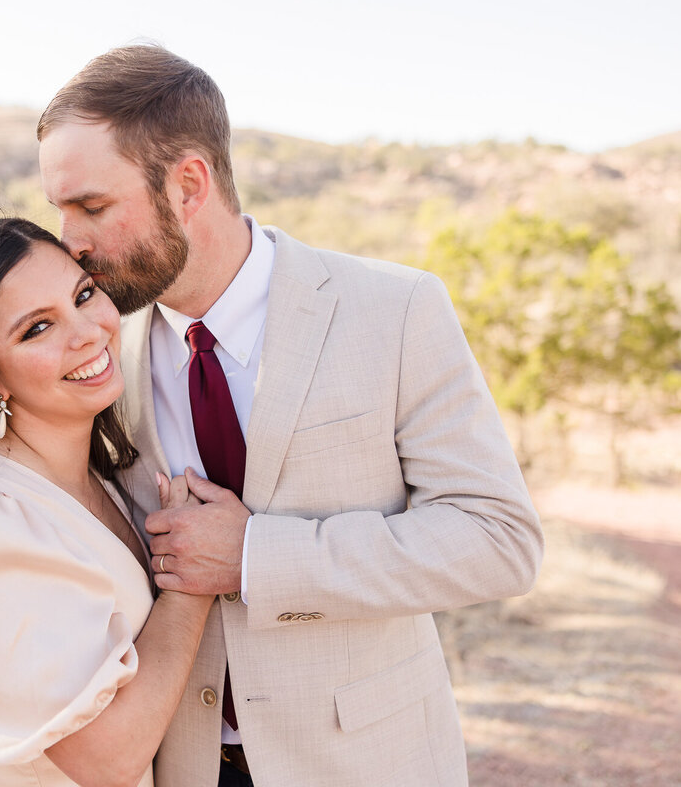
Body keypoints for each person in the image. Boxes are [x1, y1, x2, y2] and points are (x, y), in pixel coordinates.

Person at [37, 46, 545, 786]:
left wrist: (255, 558)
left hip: (367, 761)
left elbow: (497, 539)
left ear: (188, 186)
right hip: (183, 767)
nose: (70, 242)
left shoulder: (394, 309)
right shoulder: (99, 356)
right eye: (59, 210)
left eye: (91, 207)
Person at [0, 217, 217, 787]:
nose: (87, 333)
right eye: (37, 329)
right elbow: (106, 758)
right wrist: (191, 577)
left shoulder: (111, 471)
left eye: (83, 295)